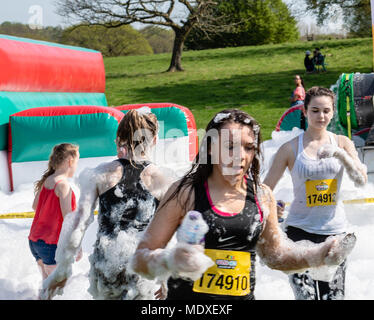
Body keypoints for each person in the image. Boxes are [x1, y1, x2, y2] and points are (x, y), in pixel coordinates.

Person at [131, 108, 356, 300]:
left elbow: (276, 256)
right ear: (210, 147)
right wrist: (170, 260)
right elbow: (141, 257)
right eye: (230, 146)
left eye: (248, 147)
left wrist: (318, 256)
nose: (240, 155)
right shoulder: (186, 192)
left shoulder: (261, 196)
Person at [41, 109, 172, 300]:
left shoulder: (101, 174)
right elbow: (167, 232)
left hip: (105, 269)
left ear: (119, 139)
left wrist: (62, 270)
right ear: (154, 140)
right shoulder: (160, 178)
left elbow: (78, 224)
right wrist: (165, 277)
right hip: (142, 270)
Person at [264, 87, 367, 300]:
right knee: (306, 298)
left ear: (332, 113)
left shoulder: (342, 143)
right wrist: (274, 208)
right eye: (315, 110)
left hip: (335, 235)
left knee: (334, 298)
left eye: (326, 111)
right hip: (299, 235)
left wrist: (340, 155)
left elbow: (361, 179)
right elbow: (265, 190)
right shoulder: (290, 148)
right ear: (305, 111)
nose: (321, 116)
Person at [29, 143, 81, 288]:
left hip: (35, 241)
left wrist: (49, 211)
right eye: (77, 161)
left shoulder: (48, 180)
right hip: (51, 244)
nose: (77, 166)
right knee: (57, 289)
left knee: (46, 285)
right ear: (70, 161)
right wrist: (76, 244)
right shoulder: (63, 185)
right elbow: (68, 218)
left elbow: (35, 206)